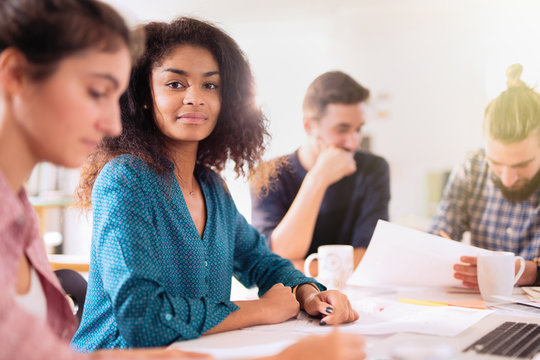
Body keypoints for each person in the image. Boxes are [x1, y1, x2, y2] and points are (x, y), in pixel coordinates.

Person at [71, 17, 360, 352]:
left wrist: (308, 292)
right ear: (144, 95)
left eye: (210, 85)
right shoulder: (124, 180)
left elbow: (261, 262)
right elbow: (144, 319)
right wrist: (261, 309)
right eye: (175, 84)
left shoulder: (211, 186)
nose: (196, 97)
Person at [0, 0, 215, 358]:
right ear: (16, 75)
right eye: (97, 92)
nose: (113, 125)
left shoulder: (17, 209)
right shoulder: (125, 178)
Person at [250, 71, 390, 268]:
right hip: (292, 296)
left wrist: (299, 268)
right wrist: (317, 179)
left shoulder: (373, 169)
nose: (353, 142)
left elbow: (370, 256)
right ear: (309, 126)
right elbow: (276, 255)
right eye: (342, 129)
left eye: (358, 129)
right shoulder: (269, 174)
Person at [429, 63, 540, 288]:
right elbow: (438, 234)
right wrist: (439, 250)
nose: (508, 179)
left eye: (522, 165)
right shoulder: (472, 168)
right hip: (482, 311)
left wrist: (531, 272)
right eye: (496, 164)